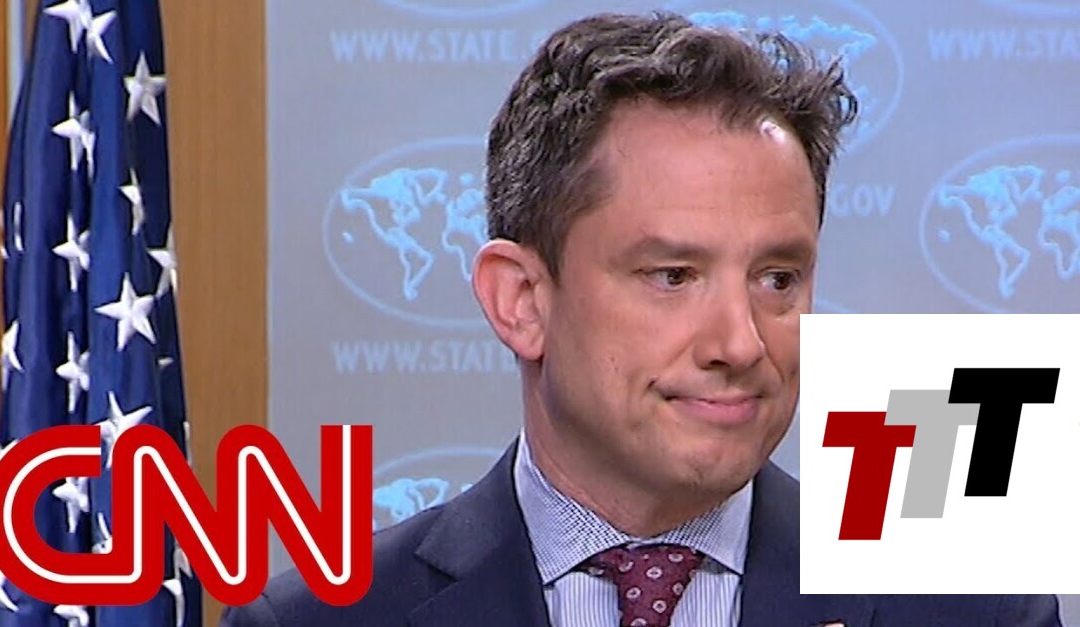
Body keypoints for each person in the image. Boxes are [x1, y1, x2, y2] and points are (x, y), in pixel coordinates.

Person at [223, 12, 1061, 627]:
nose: (739, 343)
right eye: (672, 276)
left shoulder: (972, 609)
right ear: (521, 300)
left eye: (776, 278)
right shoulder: (319, 621)